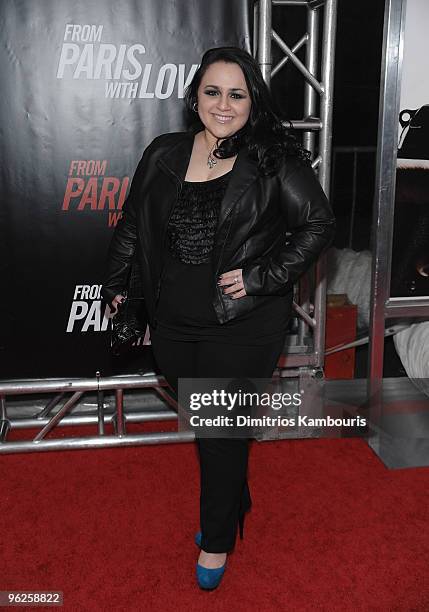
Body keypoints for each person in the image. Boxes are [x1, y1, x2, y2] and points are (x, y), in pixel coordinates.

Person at [101, 46, 336, 590]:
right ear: (195, 97)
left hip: (244, 319)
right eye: (213, 92)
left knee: (220, 427)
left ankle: (217, 540)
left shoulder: (275, 158)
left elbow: (318, 225)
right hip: (174, 317)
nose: (224, 105)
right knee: (209, 423)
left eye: (237, 94)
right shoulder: (164, 153)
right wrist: (117, 288)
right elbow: (134, 226)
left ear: (253, 101)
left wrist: (261, 277)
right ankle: (231, 489)